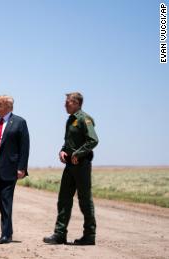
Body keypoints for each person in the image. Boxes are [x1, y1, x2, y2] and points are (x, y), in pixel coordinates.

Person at [43, 92, 99, 246]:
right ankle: (60, 234)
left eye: (67, 102)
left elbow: (93, 140)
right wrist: (62, 151)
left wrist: (78, 154)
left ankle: (89, 235)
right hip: (69, 166)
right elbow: (68, 142)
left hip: (81, 166)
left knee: (84, 200)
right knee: (64, 200)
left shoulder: (84, 119)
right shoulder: (70, 120)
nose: (65, 104)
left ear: (76, 103)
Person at [0, 95, 30, 244]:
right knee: (1, 201)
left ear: (8, 107)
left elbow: (24, 147)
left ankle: (6, 234)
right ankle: (7, 232)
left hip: (11, 169)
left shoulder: (20, 122)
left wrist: (22, 167)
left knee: (6, 200)